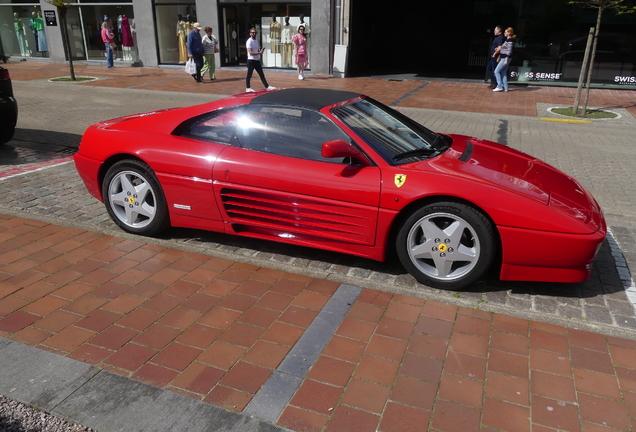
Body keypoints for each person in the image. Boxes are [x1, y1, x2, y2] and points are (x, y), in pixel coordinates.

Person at [245, 28, 276, 92]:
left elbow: (256, 50)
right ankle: (248, 87)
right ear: (250, 33)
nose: (254, 34)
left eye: (255, 33)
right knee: (249, 75)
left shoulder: (256, 41)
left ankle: (267, 86)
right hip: (251, 60)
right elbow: (250, 52)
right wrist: (259, 53)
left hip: (256, 60)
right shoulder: (249, 41)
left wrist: (260, 51)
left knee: (261, 74)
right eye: (253, 33)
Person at [493, 27, 516, 92]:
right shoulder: (507, 40)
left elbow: (509, 51)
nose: (504, 33)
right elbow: (505, 48)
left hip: (505, 58)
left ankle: (499, 85)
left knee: (496, 71)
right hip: (504, 58)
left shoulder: (510, 40)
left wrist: (506, 59)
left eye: (505, 32)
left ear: (509, 33)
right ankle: (505, 87)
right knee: (503, 73)